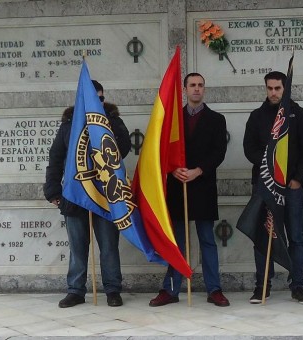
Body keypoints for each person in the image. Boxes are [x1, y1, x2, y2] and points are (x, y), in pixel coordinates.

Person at [43, 80, 131, 308]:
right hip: (75, 196)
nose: (98, 102)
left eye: (101, 98)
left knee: (109, 246)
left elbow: (124, 148)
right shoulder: (68, 126)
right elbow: (55, 160)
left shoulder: (112, 122)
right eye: (93, 99)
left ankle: (112, 289)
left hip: (105, 195)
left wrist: (105, 125)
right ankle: (75, 291)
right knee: (77, 248)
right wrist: (53, 191)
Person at [148, 73, 230, 307]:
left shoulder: (216, 119)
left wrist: (198, 170)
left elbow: (219, 152)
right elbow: (162, 150)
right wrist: (173, 169)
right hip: (178, 186)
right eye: (192, 85)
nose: (196, 89)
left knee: (207, 240)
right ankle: (171, 289)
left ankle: (214, 289)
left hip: (202, 185)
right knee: (178, 242)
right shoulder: (172, 119)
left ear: (204, 89)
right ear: (184, 89)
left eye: (200, 85)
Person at [243, 71, 303, 305]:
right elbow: (249, 148)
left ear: (285, 89)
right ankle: (262, 285)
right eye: (269, 88)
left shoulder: (298, 115)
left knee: (295, 236)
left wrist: (298, 178)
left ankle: (298, 285)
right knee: (263, 236)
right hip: (265, 187)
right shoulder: (256, 116)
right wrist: (268, 166)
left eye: (277, 88)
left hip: (291, 187)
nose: (273, 93)